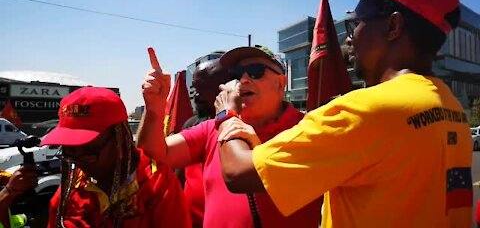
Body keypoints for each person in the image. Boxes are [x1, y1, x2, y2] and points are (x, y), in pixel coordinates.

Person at [216, 0, 472, 227]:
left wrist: (227, 114)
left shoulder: (367, 110)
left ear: (393, 25)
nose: (349, 39)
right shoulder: (451, 107)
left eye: (355, 23)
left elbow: (238, 173)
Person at [138, 45, 321, 228]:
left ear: (281, 83)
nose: (244, 79)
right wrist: (154, 108)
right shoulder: (211, 128)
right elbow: (156, 152)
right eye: (237, 73)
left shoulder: (307, 129)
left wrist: (226, 116)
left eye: (255, 71)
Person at [41, 87, 190, 228]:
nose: (78, 161)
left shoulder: (156, 183)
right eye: (69, 152)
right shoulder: (70, 188)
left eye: (88, 151)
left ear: (120, 139)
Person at [181, 57, 233, 227]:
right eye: (195, 88)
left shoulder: (244, 126)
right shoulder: (191, 124)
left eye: (202, 88)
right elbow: (178, 175)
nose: (196, 95)